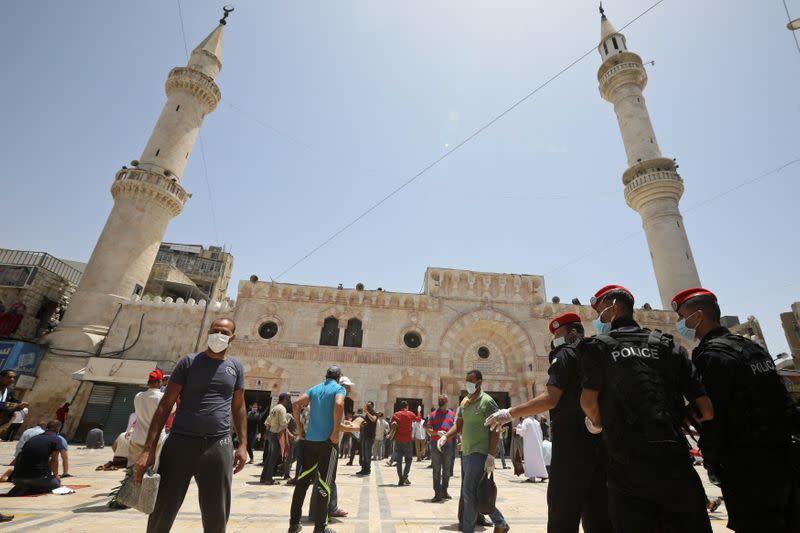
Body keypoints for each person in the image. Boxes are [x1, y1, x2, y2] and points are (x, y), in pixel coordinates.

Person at [579, 284, 714, 532]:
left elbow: (587, 402)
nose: (598, 319)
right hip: (675, 459)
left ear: (613, 308)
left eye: (600, 311)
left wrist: (599, 424)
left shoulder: (597, 347)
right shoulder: (668, 345)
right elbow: (706, 410)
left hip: (627, 463)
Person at [672, 287, 800, 532]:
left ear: (698, 316)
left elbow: (713, 415)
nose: (680, 324)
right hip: (785, 454)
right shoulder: (751, 348)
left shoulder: (711, 355)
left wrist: (711, 459)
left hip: (747, 464)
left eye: (681, 318)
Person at [485, 311, 611, 533]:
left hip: (571, 446)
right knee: (599, 511)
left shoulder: (565, 354)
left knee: (562, 511)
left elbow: (551, 398)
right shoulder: (600, 353)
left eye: (558, 333)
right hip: (602, 443)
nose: (555, 339)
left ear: (572, 333)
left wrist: (510, 412)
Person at [134, 318, 248, 533]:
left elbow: (239, 406)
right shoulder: (188, 362)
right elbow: (165, 405)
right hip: (180, 443)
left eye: (224, 332)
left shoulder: (235, 368)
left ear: (232, 337)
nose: (219, 335)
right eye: (215, 330)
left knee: (217, 512)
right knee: (162, 508)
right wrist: (148, 450)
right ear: (208, 332)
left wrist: (243, 444)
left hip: (218, 444)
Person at [441, 370, 510, 533]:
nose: (468, 384)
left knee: (468, 492)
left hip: (480, 452)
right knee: (475, 492)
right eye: (466, 381)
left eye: (471, 381)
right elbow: (459, 425)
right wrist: (446, 436)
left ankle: (468, 529)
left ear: (479, 382)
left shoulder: (488, 401)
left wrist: (491, 455)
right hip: (466, 452)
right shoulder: (464, 402)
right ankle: (500, 522)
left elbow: (496, 430)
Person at [288, 365, 346, 533]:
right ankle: (320, 528)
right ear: (338, 377)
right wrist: (335, 431)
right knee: (324, 485)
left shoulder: (315, 389)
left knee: (302, 483)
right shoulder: (339, 388)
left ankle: (293, 524)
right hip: (327, 444)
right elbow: (339, 403)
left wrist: (300, 429)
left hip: (309, 442)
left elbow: (296, 403)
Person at [8, 420, 64, 496]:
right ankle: (30, 486)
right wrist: (56, 475)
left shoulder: (33, 438)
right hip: (35, 479)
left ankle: (24, 485)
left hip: (16, 479)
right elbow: (54, 460)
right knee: (56, 483)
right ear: (58, 429)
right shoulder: (56, 439)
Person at [129, 370, 167, 467]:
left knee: (133, 468)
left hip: (137, 437)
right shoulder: (163, 397)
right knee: (150, 470)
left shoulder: (138, 396)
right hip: (156, 440)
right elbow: (172, 410)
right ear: (159, 382)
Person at [426, 394, 456, 502]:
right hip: (435, 445)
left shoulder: (452, 414)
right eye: (440, 402)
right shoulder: (433, 415)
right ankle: (437, 493)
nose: (442, 404)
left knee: (447, 470)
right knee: (436, 469)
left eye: (443, 402)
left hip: (448, 445)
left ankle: (444, 491)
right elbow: (428, 429)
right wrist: (436, 432)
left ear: (447, 402)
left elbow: (456, 428)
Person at [261, 392, 292, 485]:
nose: (289, 400)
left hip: (271, 433)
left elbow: (268, 422)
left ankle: (263, 477)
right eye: (288, 398)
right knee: (273, 458)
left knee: (269, 457)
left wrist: (267, 433)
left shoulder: (274, 407)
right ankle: (268, 479)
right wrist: (288, 418)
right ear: (285, 399)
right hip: (277, 435)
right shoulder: (282, 409)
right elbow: (283, 423)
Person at [391, 401, 420, 486]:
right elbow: (418, 420)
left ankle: (401, 478)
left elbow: (392, 426)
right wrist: (418, 411)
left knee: (399, 460)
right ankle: (405, 476)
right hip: (408, 440)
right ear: (407, 407)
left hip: (399, 440)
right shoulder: (410, 414)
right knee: (409, 460)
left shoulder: (396, 414)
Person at [515, 416, 547, 482]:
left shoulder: (526, 421)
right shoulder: (537, 422)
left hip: (529, 445)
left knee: (530, 461)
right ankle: (543, 475)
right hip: (537, 444)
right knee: (538, 460)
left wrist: (516, 430)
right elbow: (541, 433)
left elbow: (523, 431)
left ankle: (532, 478)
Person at [356, 401, 377, 476]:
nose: (367, 407)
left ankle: (368, 469)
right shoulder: (366, 414)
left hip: (370, 436)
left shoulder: (373, 412)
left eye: (368, 405)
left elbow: (374, 419)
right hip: (364, 435)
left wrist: (367, 413)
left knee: (367, 454)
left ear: (372, 406)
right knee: (363, 453)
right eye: (367, 405)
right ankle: (363, 469)